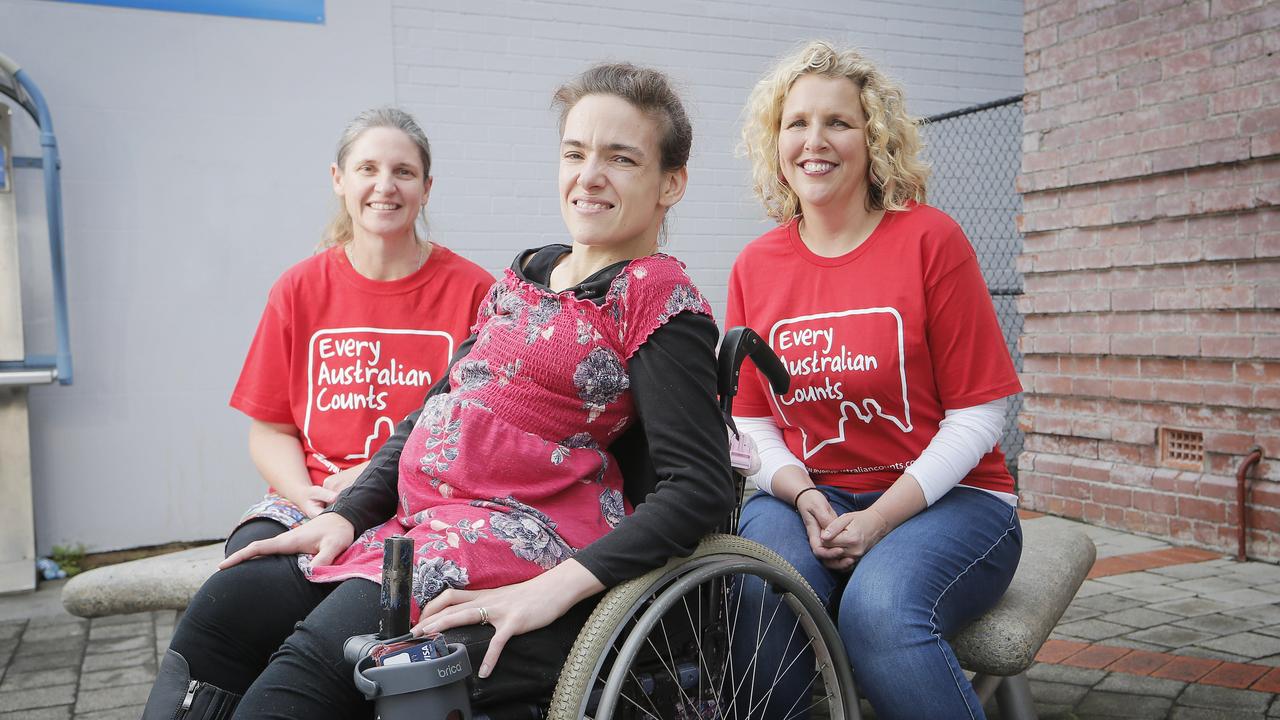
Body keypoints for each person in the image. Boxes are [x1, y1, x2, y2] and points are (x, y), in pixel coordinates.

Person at [142, 63, 734, 719]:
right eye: (575, 153)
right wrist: (347, 514)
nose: (589, 176)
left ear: (670, 182)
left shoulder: (657, 298)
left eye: (620, 159)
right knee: (226, 609)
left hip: (508, 535)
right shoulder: (529, 273)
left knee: (304, 674)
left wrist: (556, 589)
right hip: (414, 521)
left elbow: (699, 485)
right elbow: (439, 408)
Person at [727, 40, 1023, 719]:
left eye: (838, 122)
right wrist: (800, 494)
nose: (814, 140)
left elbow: (981, 417)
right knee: (760, 587)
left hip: (956, 501)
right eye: (796, 123)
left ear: (874, 138)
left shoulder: (930, 240)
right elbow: (752, 421)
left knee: (878, 610)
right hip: (812, 494)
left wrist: (880, 518)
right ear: (776, 142)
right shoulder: (756, 265)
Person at [225, 108, 495, 557]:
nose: (385, 186)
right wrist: (302, 494)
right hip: (307, 499)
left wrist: (375, 477)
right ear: (339, 179)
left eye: (404, 172)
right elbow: (270, 430)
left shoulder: (476, 292)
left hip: (417, 503)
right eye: (368, 169)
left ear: (426, 189)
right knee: (234, 594)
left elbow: (477, 433)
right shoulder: (298, 289)